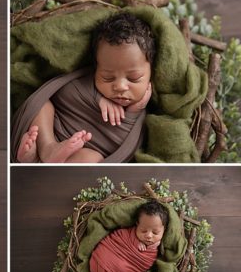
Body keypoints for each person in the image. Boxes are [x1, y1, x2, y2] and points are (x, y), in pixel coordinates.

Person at [16, 12, 154, 163]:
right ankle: (45, 149)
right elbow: (59, 93)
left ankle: (35, 162)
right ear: (96, 69)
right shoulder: (87, 82)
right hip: (50, 132)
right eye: (107, 77)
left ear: (151, 72)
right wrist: (97, 97)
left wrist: (134, 112)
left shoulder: (146, 116)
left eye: (133, 78)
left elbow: (126, 149)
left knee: (92, 158)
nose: (120, 87)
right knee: (42, 103)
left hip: (77, 158)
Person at [88, 200, 169, 272]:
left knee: (121, 267)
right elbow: (117, 237)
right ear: (137, 225)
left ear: (164, 230)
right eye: (143, 230)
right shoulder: (126, 233)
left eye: (155, 232)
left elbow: (146, 262)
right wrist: (135, 241)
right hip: (99, 261)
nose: (149, 236)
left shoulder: (157, 249)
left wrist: (151, 249)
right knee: (112, 260)